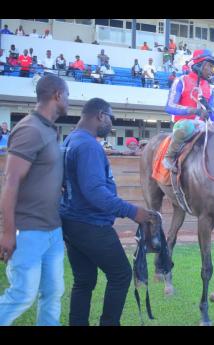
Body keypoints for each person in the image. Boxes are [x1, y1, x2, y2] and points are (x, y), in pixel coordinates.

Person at [59, 98, 155, 326]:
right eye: (111, 117)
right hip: (90, 224)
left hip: (71, 221)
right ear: (101, 115)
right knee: (121, 275)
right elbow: (95, 192)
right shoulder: (88, 145)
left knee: (84, 281)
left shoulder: (71, 139)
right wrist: (132, 211)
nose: (112, 123)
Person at [0, 74, 69, 326]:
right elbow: (10, 183)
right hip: (28, 231)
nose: (69, 101)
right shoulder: (30, 129)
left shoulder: (49, 129)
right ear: (58, 95)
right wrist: (7, 233)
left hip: (52, 230)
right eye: (68, 95)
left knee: (52, 294)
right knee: (22, 295)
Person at [163, 49, 214, 171]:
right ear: (199, 64)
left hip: (203, 126)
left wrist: (209, 108)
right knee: (188, 126)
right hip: (182, 125)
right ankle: (169, 157)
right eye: (210, 66)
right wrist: (195, 111)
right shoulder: (181, 80)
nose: (212, 70)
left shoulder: (209, 88)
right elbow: (170, 106)